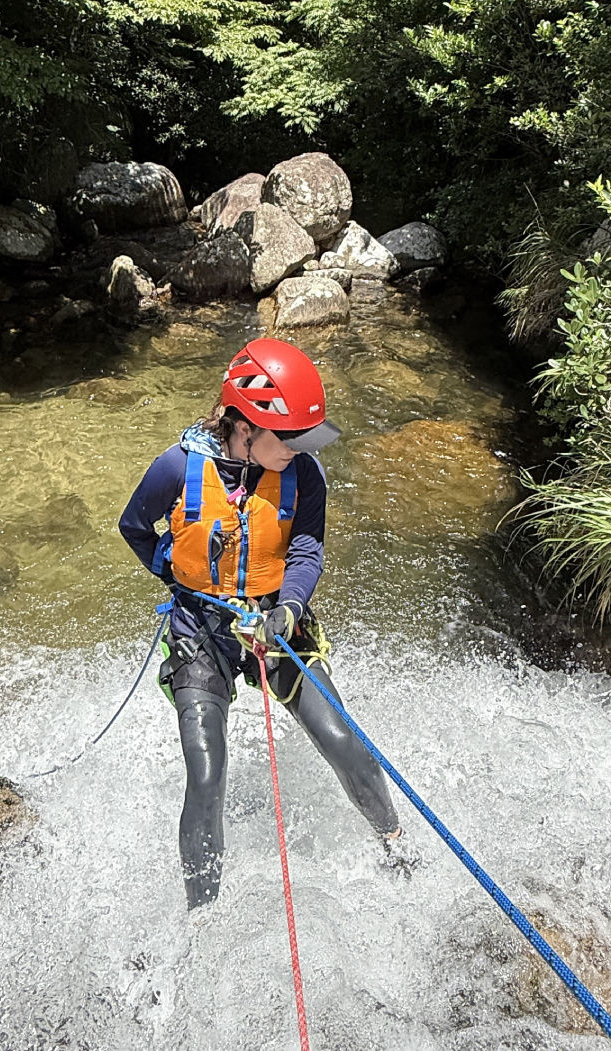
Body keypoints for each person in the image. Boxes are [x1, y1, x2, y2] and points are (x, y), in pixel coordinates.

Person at [119, 337, 411, 910]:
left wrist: (288, 609)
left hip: (280, 619)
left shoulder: (304, 477)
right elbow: (134, 526)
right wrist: (177, 575)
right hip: (201, 631)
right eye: (291, 439)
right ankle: (201, 917)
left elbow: (305, 552)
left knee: (339, 738)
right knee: (206, 777)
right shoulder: (176, 469)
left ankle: (396, 844)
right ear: (244, 427)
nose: (301, 450)